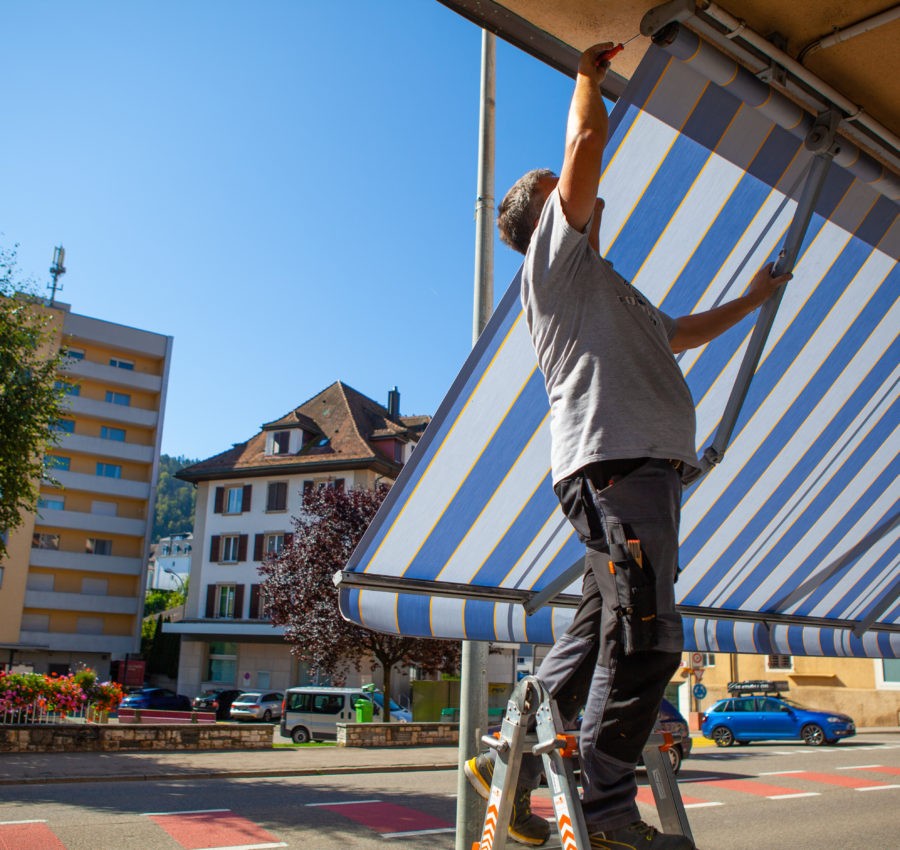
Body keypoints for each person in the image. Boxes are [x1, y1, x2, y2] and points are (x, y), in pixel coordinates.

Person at [464, 41, 792, 849]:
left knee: (597, 625)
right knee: (646, 637)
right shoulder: (554, 265)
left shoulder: (608, 285)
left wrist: (753, 301)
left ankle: (516, 758)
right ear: (546, 219)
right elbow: (583, 147)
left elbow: (679, 333)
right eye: (562, 194)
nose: (582, 194)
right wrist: (587, 78)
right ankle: (607, 815)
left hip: (631, 470)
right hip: (616, 467)